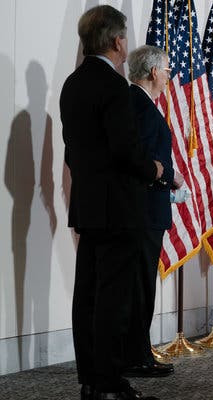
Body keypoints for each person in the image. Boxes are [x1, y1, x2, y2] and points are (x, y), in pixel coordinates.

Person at [60, 6, 162, 400]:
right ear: (119, 41)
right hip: (120, 207)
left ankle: (90, 379)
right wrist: (153, 169)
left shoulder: (72, 83)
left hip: (87, 205)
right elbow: (125, 151)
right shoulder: (115, 86)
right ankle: (109, 383)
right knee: (114, 299)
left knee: (86, 295)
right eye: (125, 40)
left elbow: (75, 150)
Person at [123, 45, 184, 378]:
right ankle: (136, 355)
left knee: (140, 284)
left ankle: (136, 351)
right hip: (143, 211)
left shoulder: (142, 104)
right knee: (140, 286)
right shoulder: (141, 107)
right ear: (152, 72)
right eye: (167, 70)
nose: (169, 76)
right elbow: (144, 160)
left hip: (148, 208)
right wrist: (169, 176)